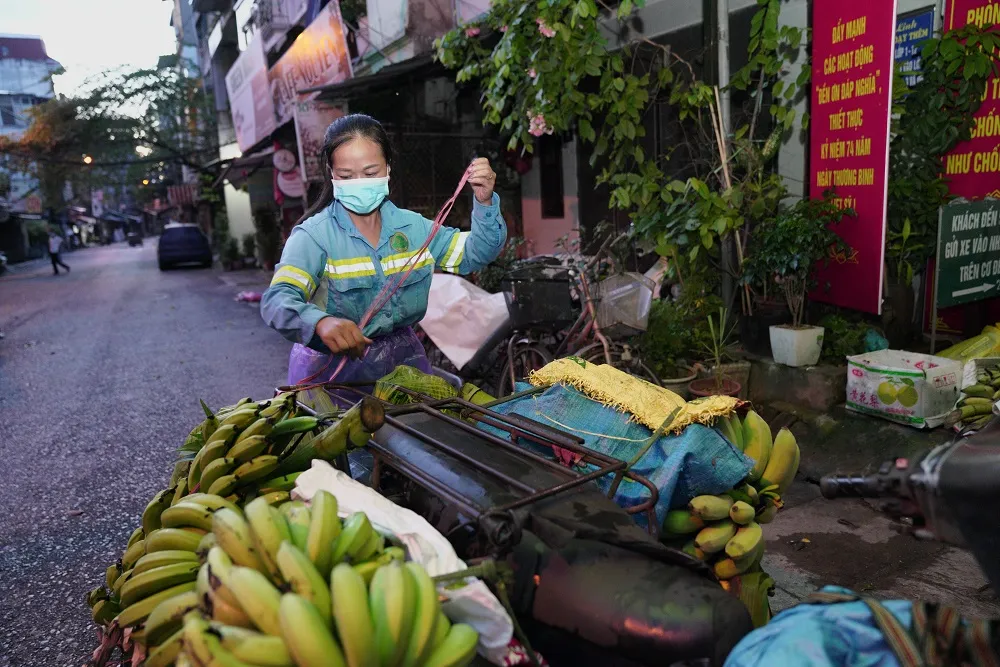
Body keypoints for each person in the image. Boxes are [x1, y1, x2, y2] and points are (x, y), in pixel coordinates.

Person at [260, 114, 506, 406]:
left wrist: (485, 201)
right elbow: (278, 299)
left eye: (370, 171)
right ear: (332, 174)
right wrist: (320, 323)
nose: (359, 183)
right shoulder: (313, 237)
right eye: (347, 176)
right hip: (331, 380)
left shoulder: (415, 229)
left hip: (404, 368)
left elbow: (475, 252)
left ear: (387, 168)